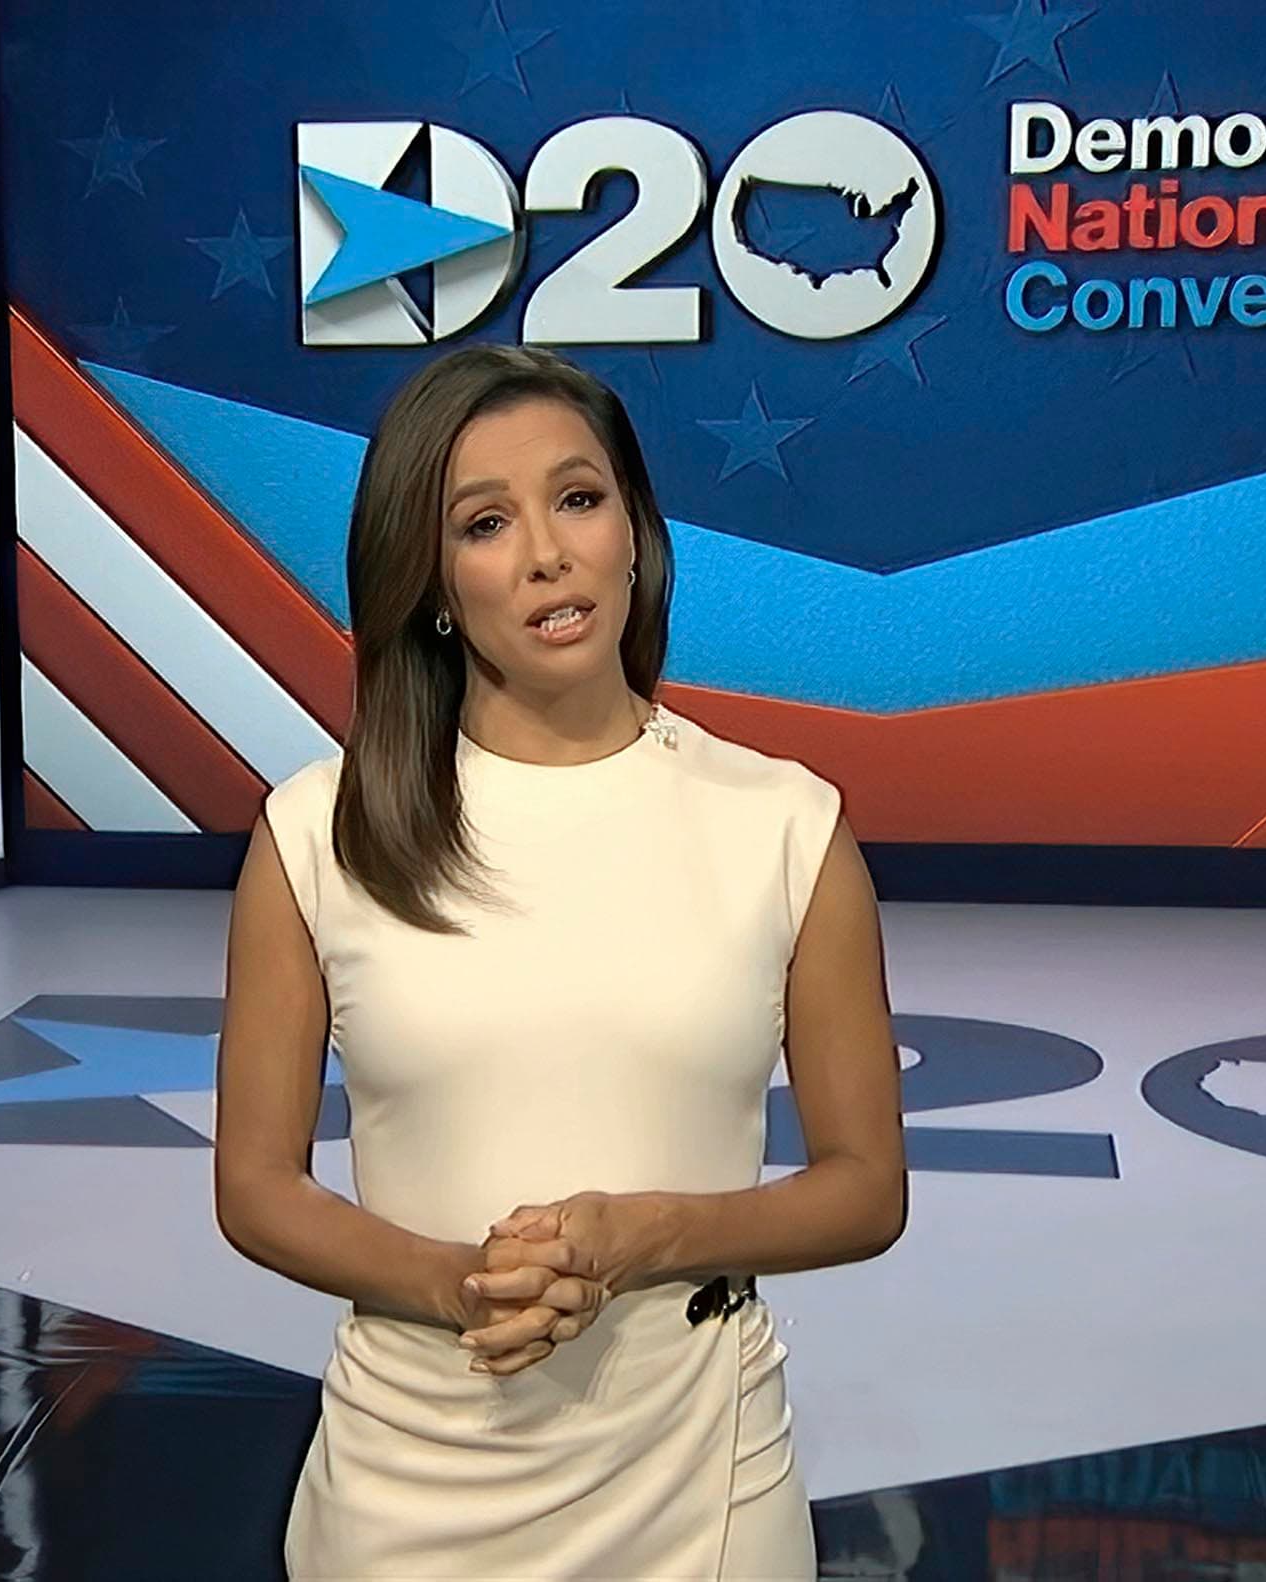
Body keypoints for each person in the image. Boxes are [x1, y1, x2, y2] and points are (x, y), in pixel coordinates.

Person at [213, 343, 906, 1579]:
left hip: (702, 1478)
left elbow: (865, 1188)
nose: (546, 553)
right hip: (410, 1480)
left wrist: (650, 1234)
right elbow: (258, 1186)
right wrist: (454, 1281)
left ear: (635, 531)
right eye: (486, 522)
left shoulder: (786, 824)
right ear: (431, 580)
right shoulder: (316, 834)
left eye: (578, 499)